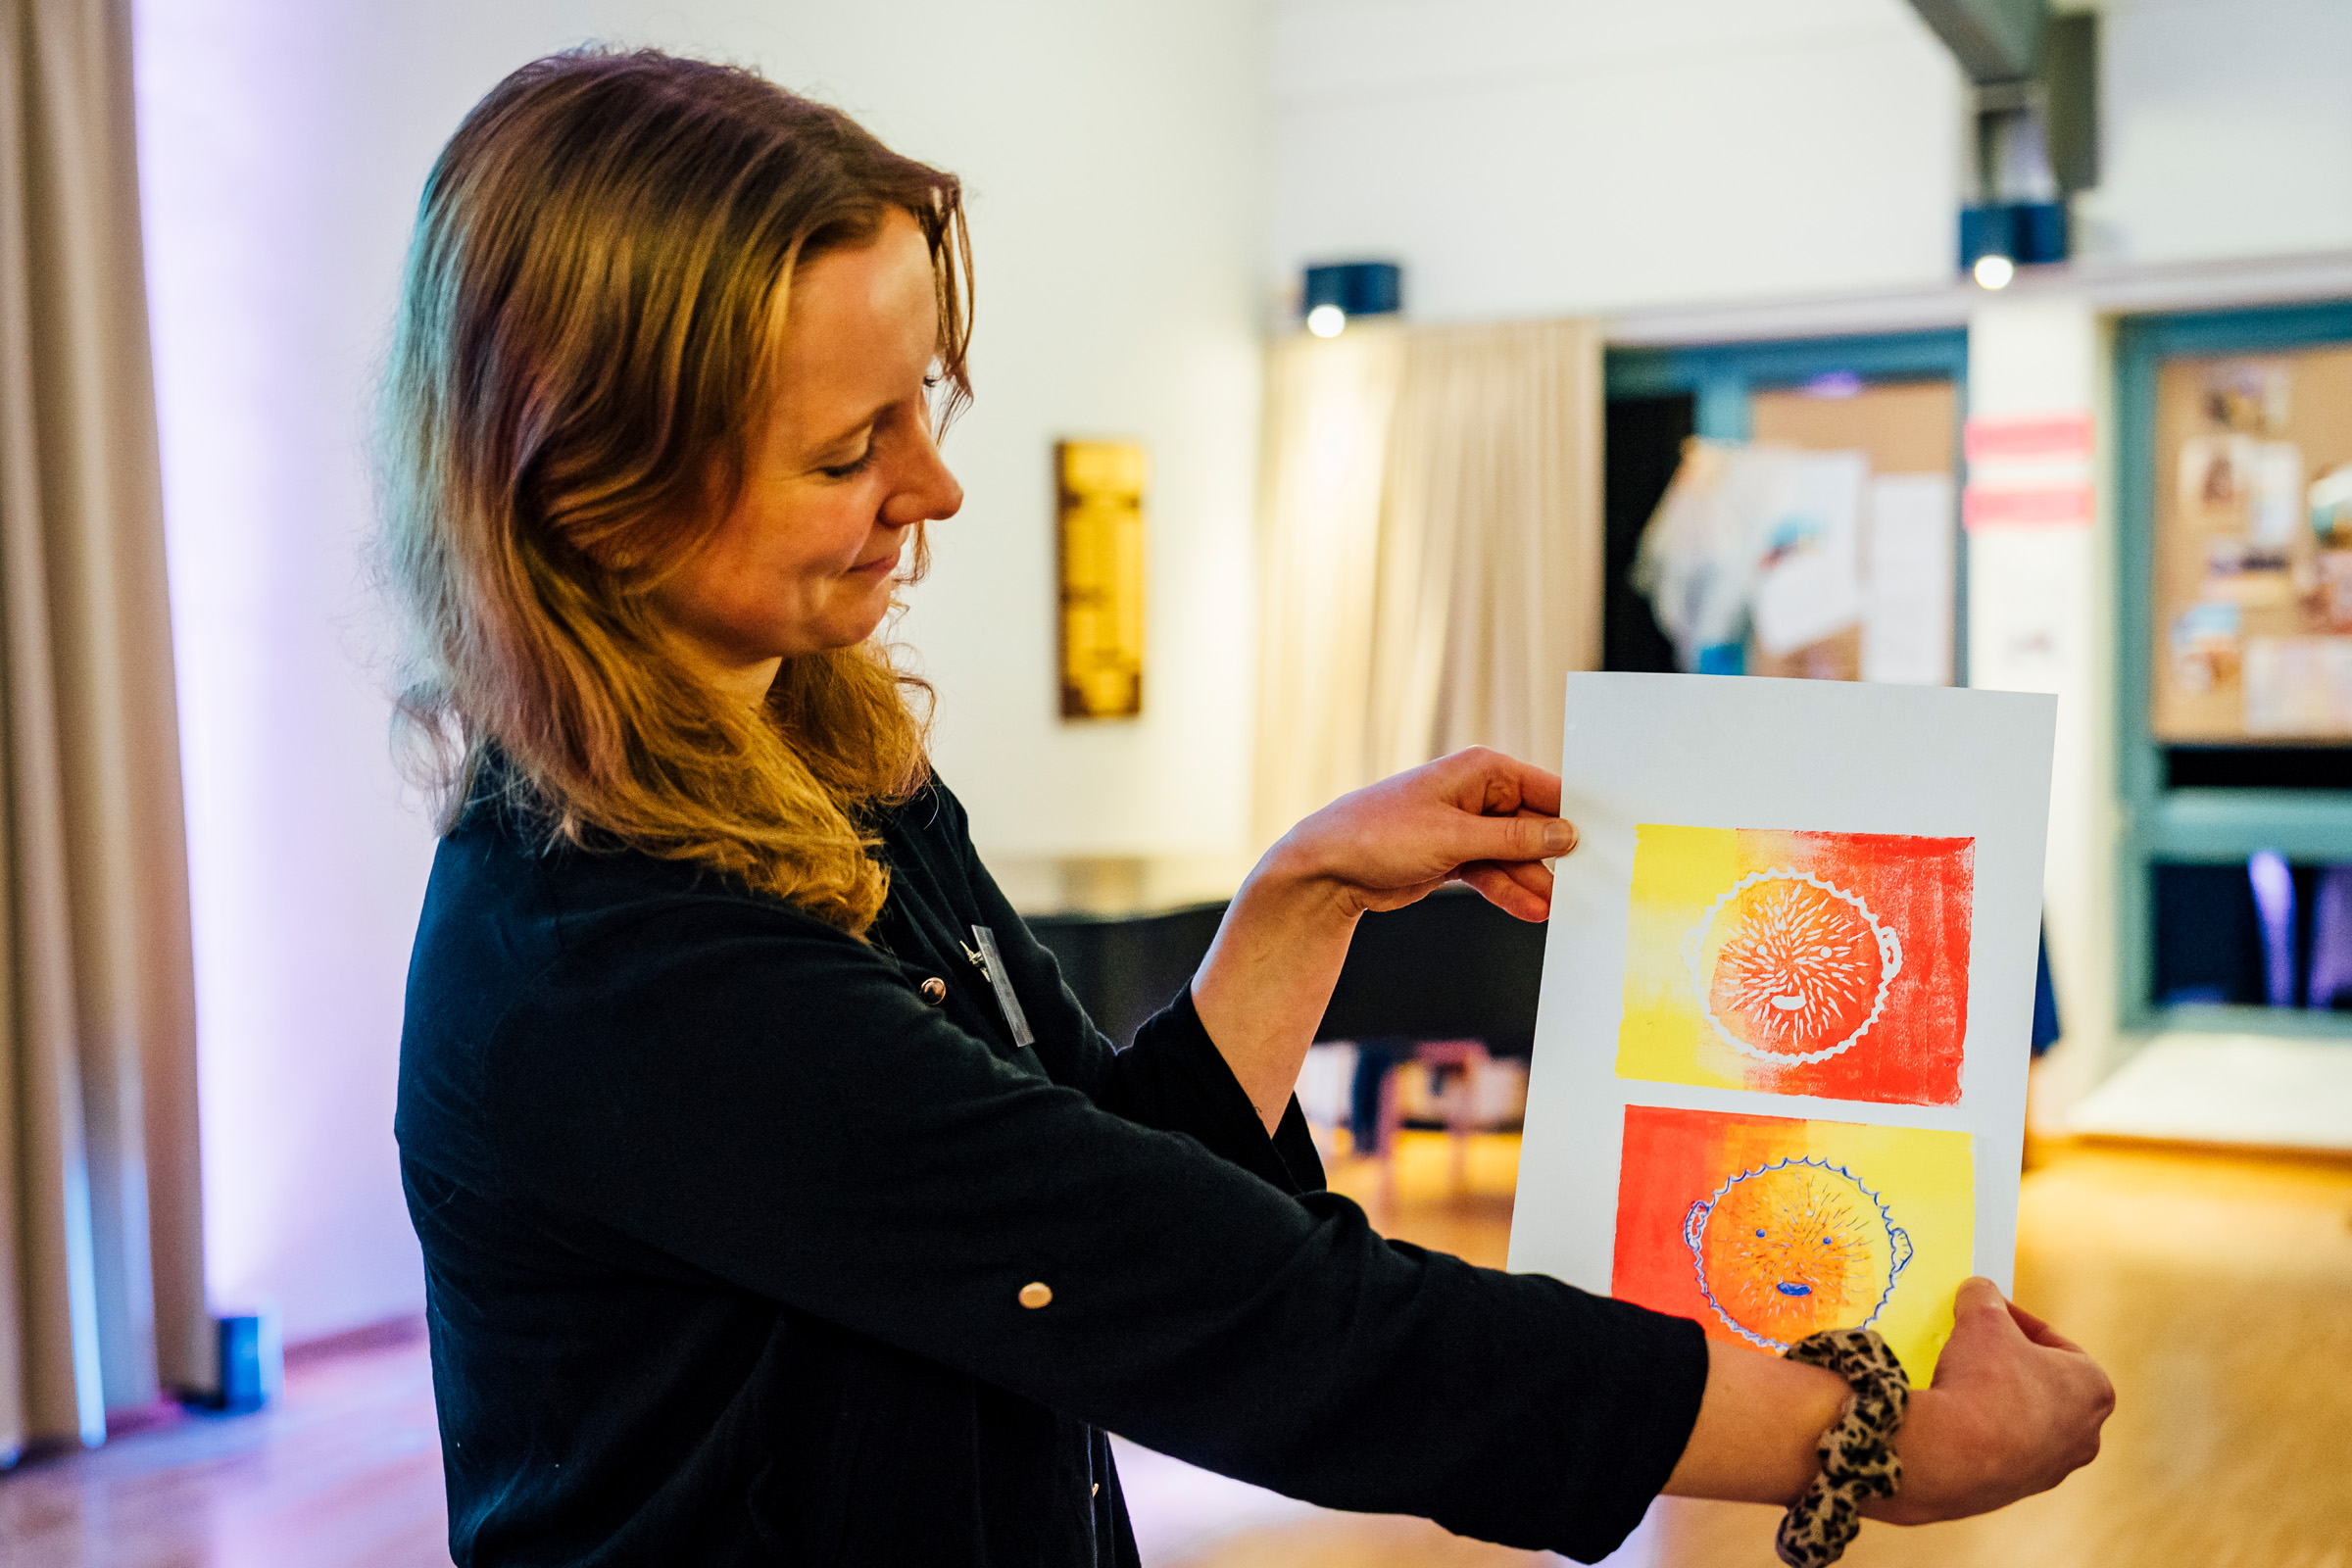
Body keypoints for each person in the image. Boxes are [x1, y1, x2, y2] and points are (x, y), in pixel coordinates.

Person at [384, 48, 2113, 1568]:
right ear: (593, 491)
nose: (936, 484)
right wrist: (1860, 1437)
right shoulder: (615, 964)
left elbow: (1098, 1179)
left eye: (924, 405)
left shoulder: (839, 768)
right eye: (849, 452)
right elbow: (1234, 1311)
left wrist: (1303, 894)